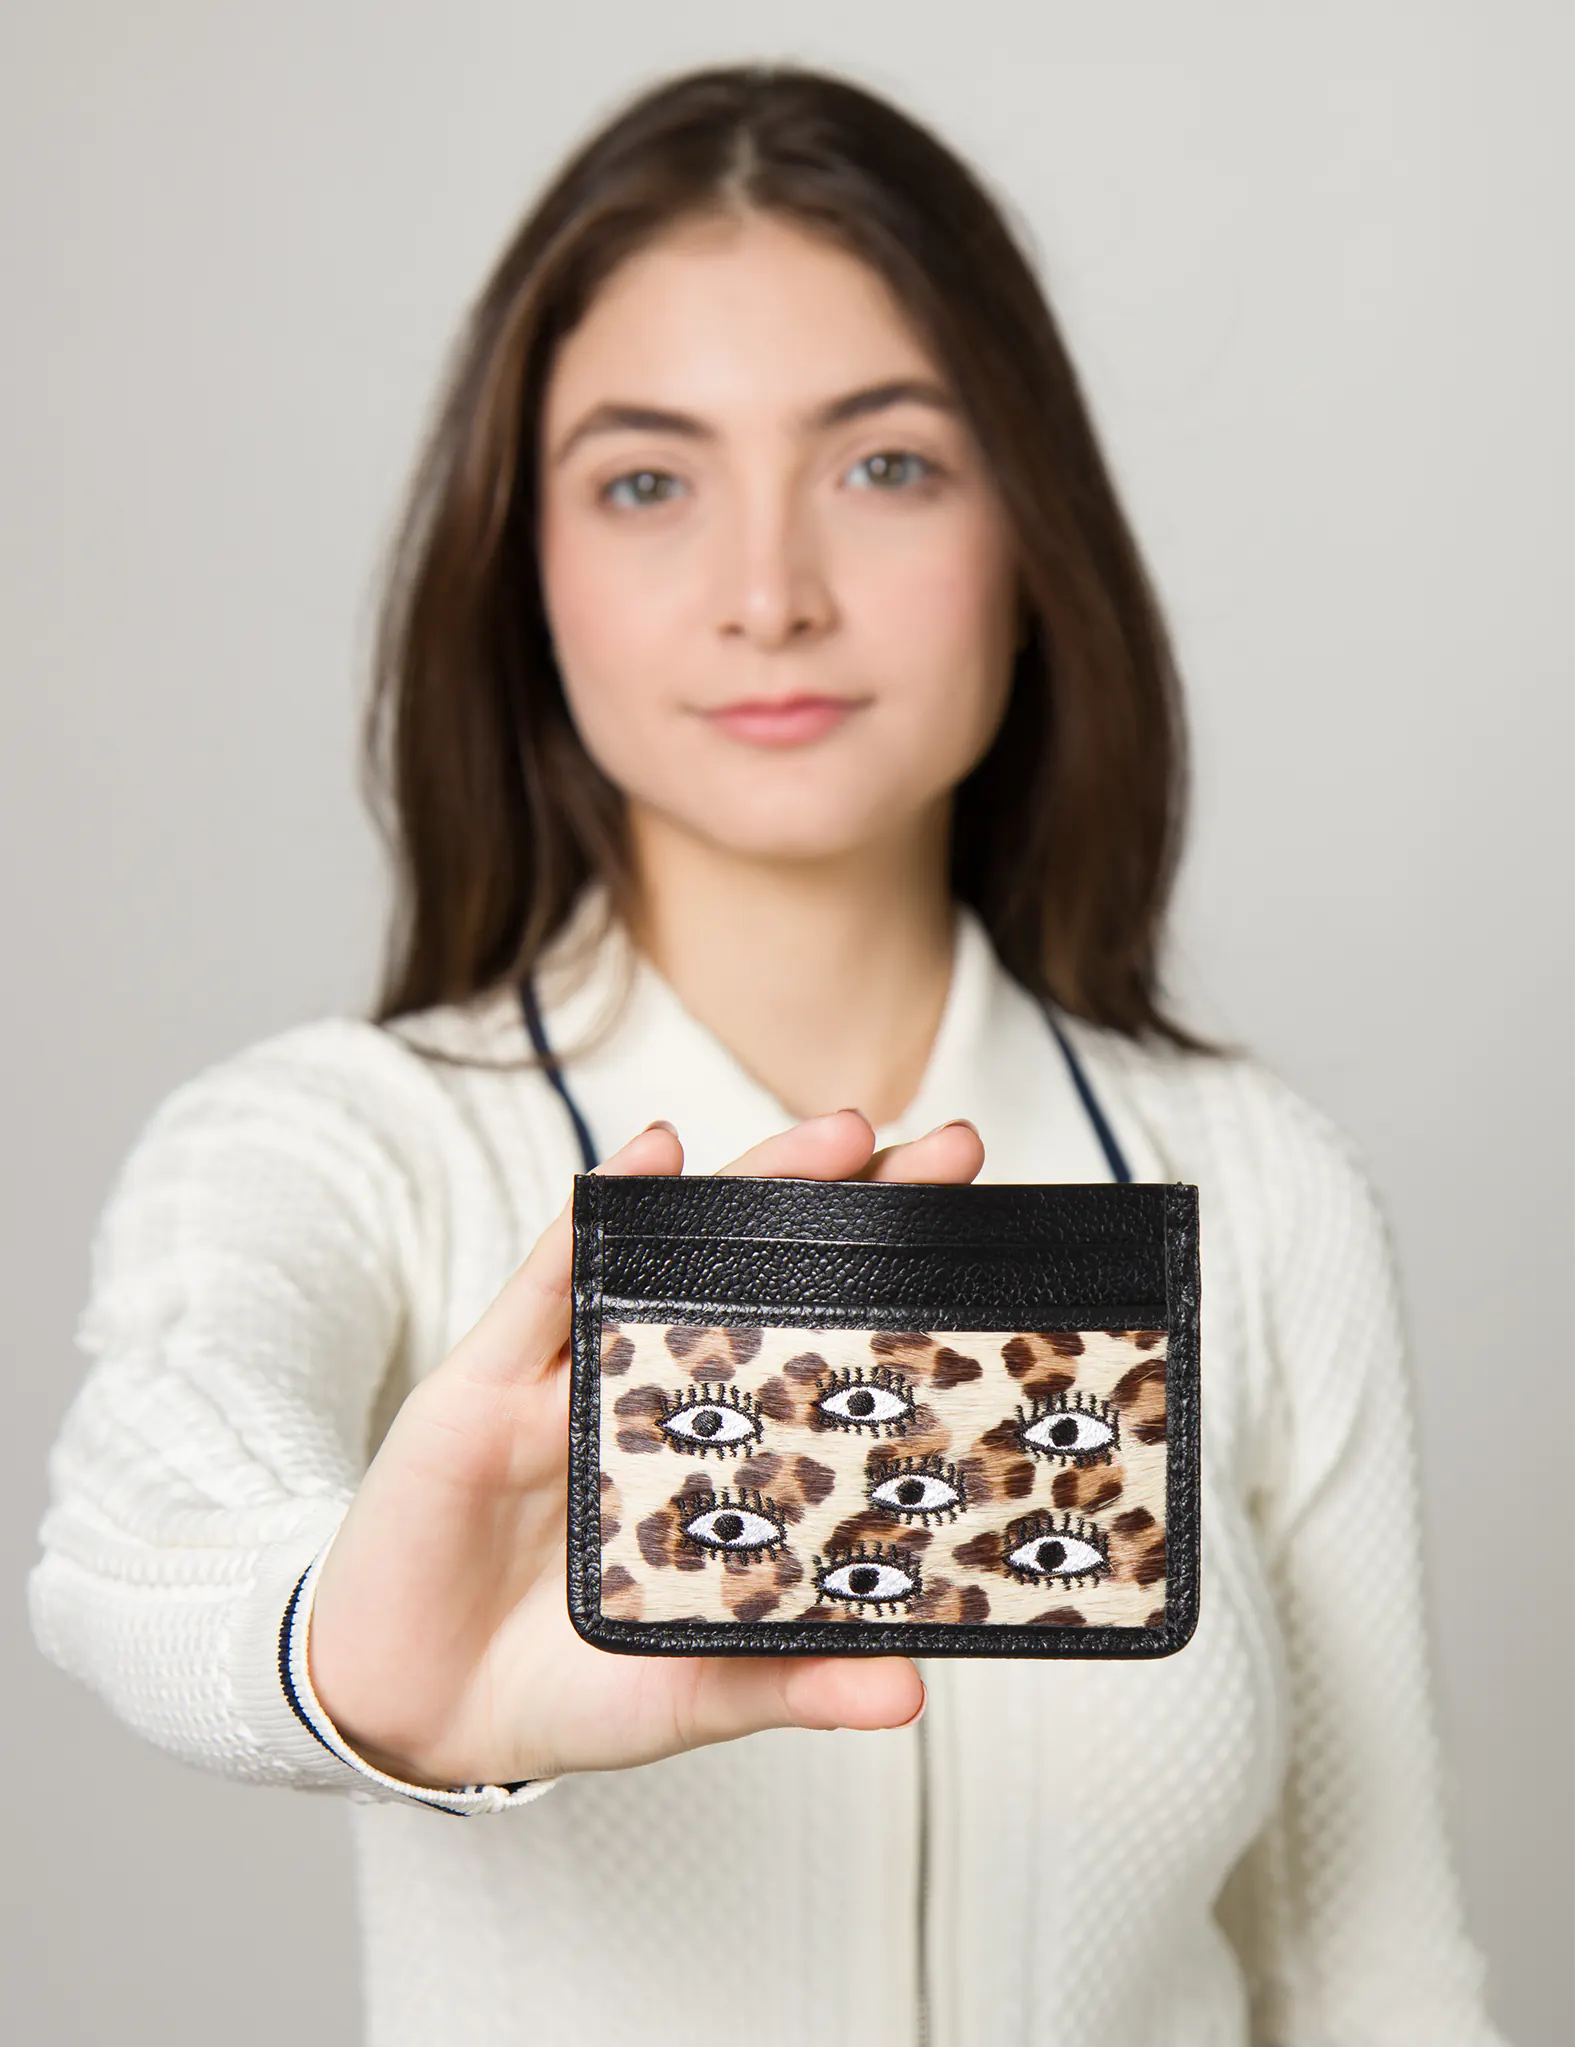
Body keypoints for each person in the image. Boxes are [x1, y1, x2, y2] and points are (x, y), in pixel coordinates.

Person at [28, 58, 1508, 2047]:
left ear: (1027, 522)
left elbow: (1375, 1972)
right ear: (520, 568)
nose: (766, 597)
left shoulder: (1248, 1183)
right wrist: (341, 1644)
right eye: (647, 481)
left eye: (883, 464)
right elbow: (140, 1518)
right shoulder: (339, 1147)